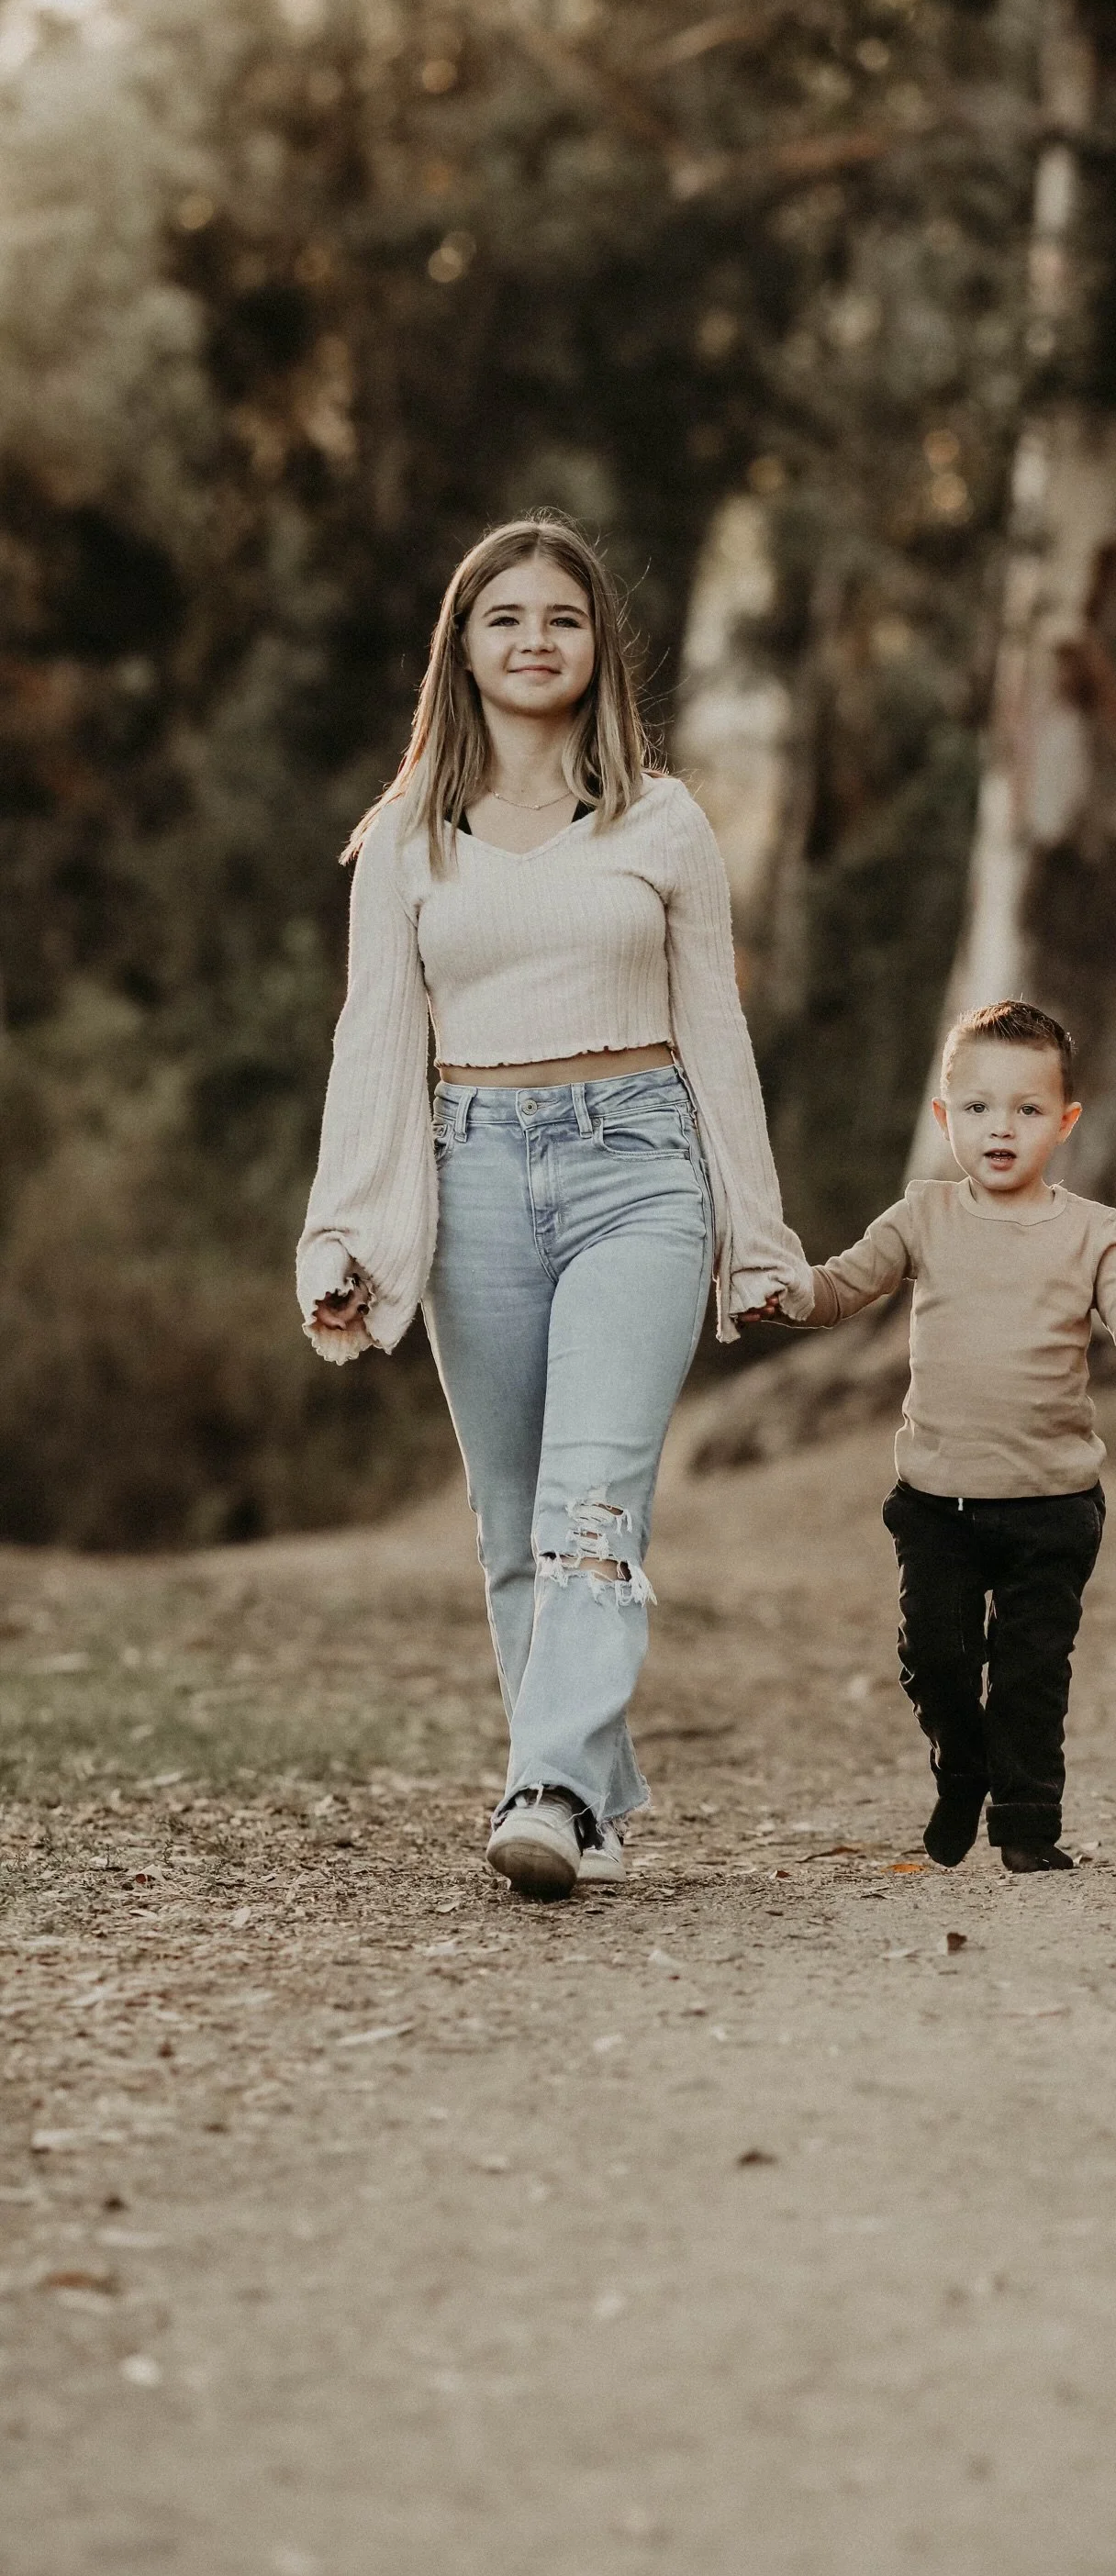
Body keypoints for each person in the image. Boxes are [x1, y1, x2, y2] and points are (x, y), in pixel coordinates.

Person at [295, 515, 808, 1902]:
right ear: (462, 645)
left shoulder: (665, 820)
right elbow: (372, 1048)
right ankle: (584, 1787)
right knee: (515, 1511)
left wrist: (755, 1239)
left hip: (634, 1167)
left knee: (594, 1505)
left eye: (563, 619)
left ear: (598, 651)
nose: (536, 639)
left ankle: (549, 1784)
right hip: (471, 1177)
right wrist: (345, 1236)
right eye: (506, 616)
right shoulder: (405, 838)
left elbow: (717, 1036)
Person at [770, 1000, 1116, 1870]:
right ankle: (961, 1765)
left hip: (1054, 1504)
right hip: (938, 1503)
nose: (1001, 1129)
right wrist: (785, 1291)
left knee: (1033, 1673)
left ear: (1066, 1122)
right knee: (938, 1657)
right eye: (978, 1108)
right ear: (944, 1117)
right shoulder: (922, 1215)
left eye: (1028, 1109)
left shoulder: (1091, 1230)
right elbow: (842, 1288)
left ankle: (1028, 1823)